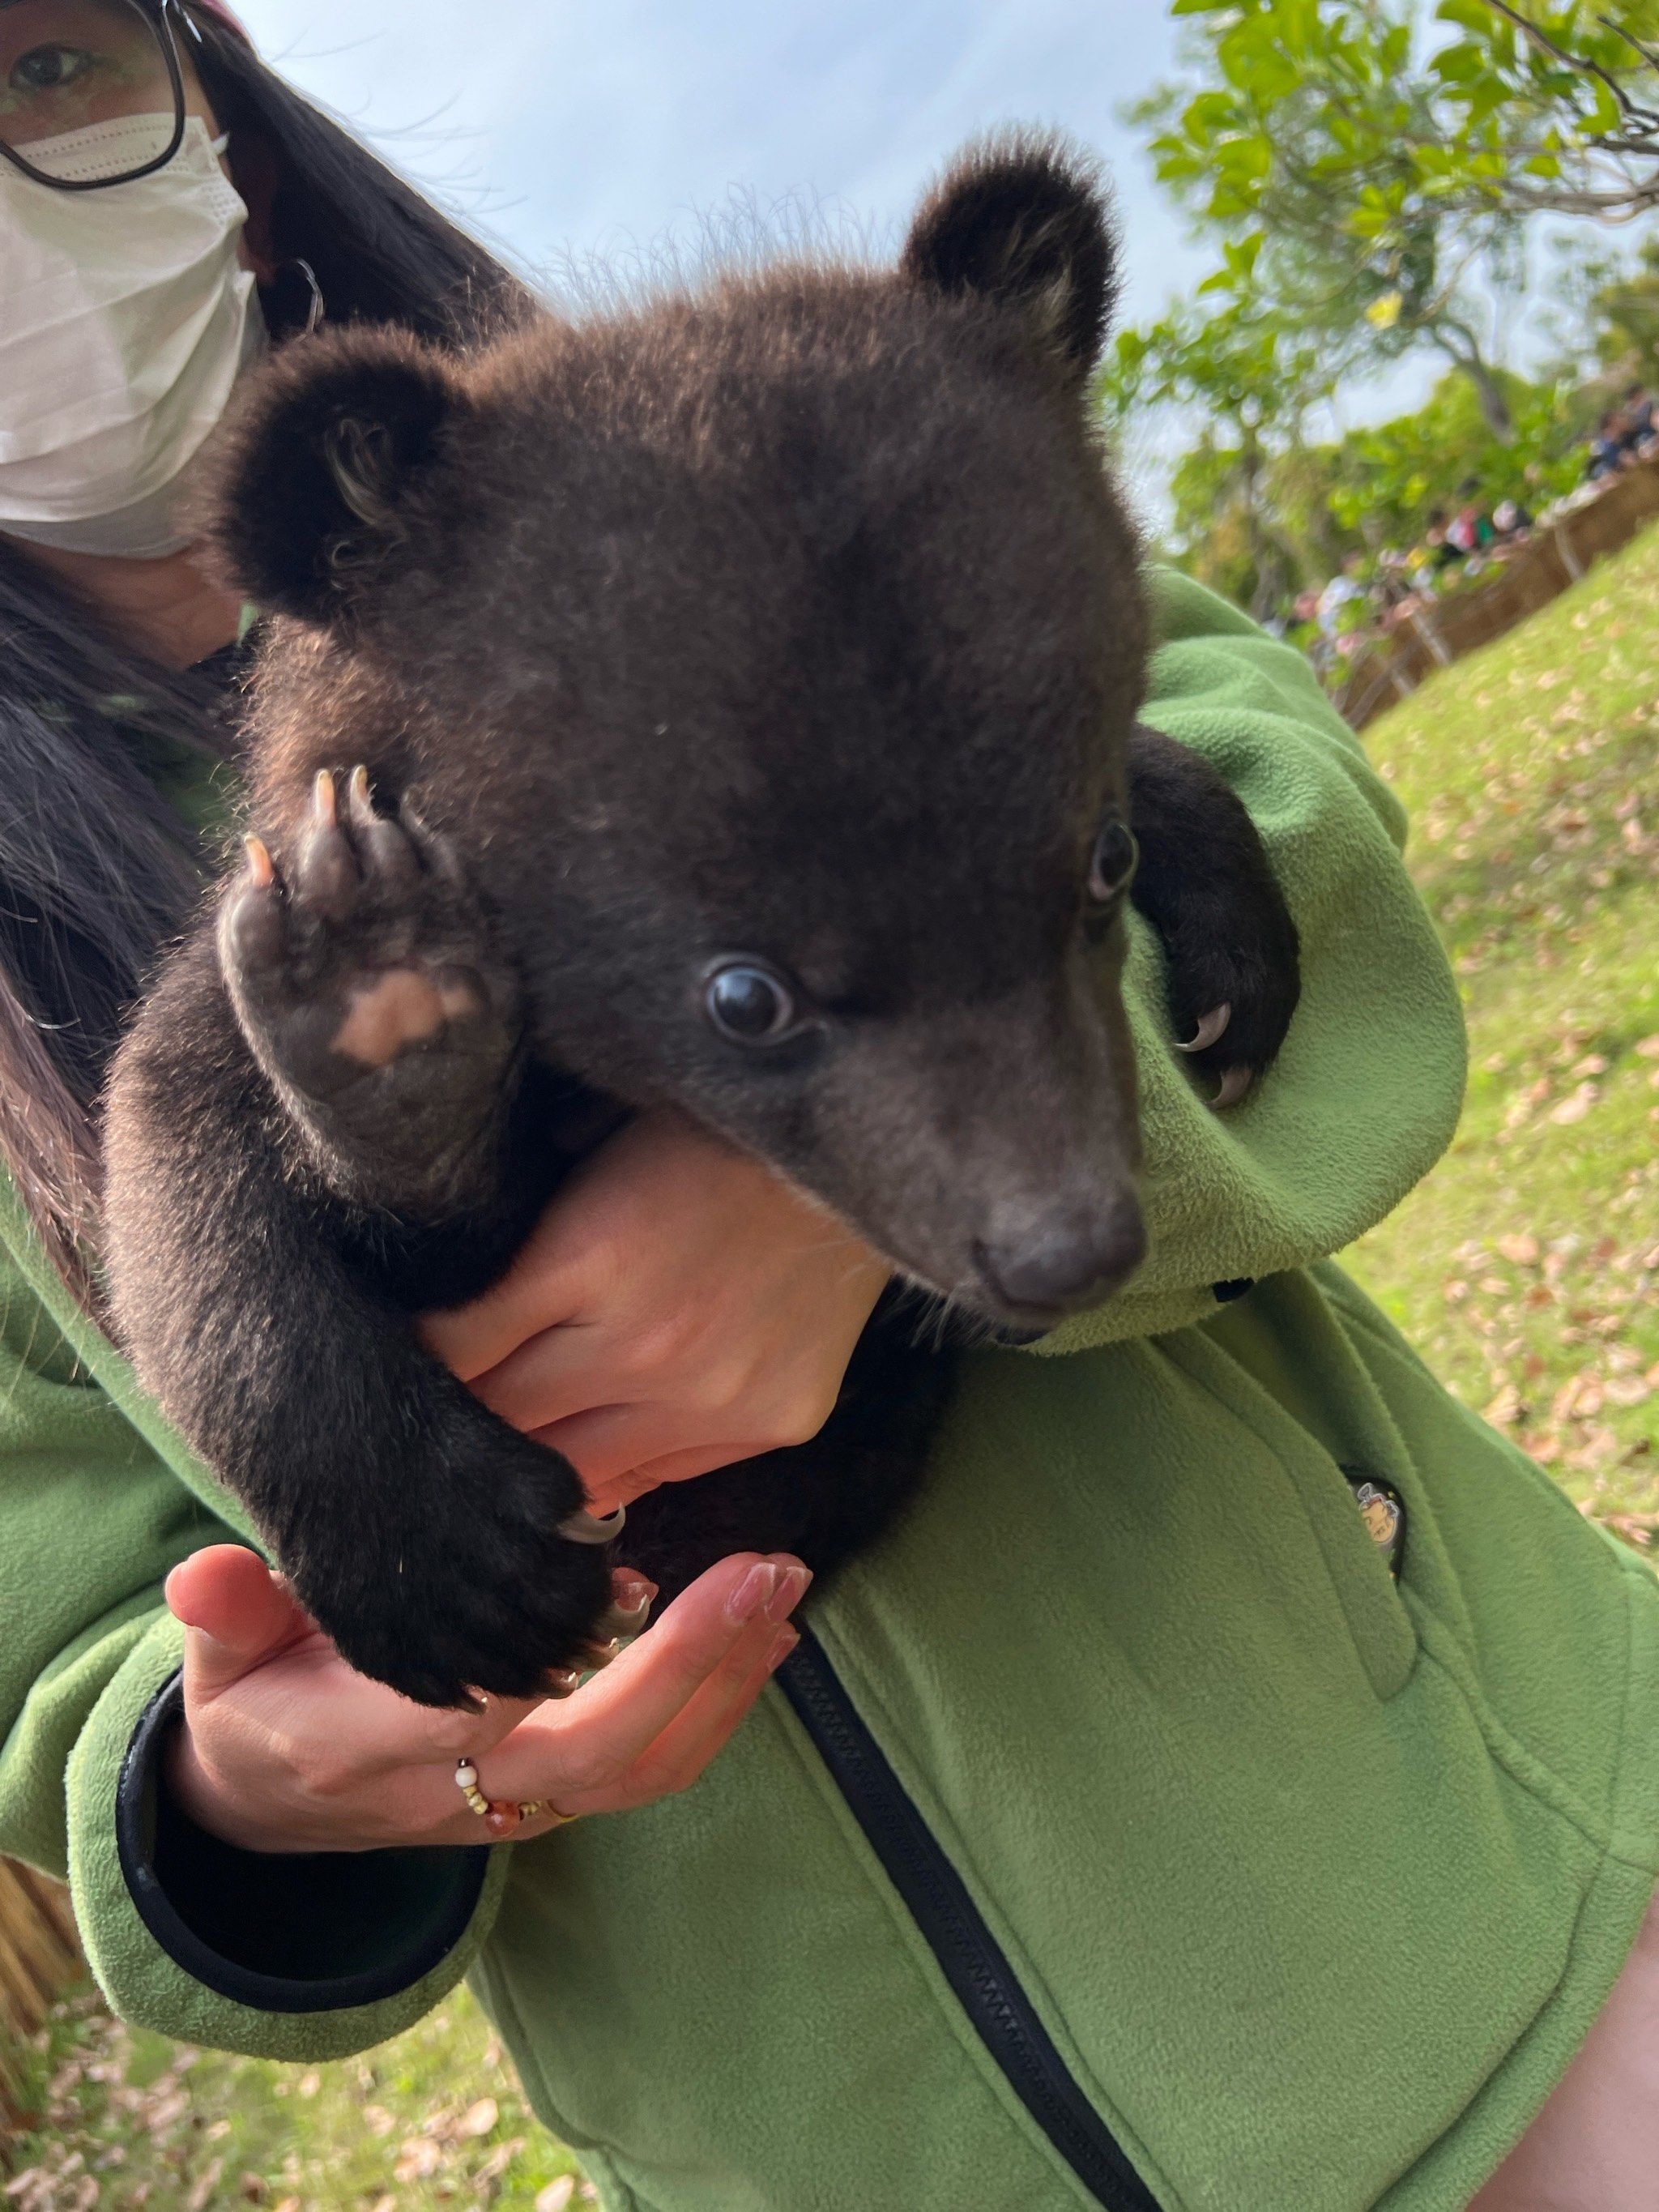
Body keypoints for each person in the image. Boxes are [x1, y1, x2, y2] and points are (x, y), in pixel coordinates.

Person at [2, 8, 1656, 2209]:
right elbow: (66, 1632)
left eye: (46, 65)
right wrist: (229, 1781)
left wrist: (821, 1189)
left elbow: (1261, 768)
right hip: (833, 2132)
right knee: (306, 1128)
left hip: (1488, 1891)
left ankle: (442, 1138)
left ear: (212, 94)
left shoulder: (817, 444)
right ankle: (417, 1148)